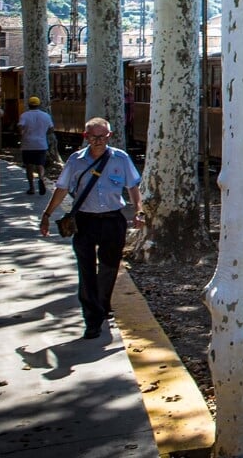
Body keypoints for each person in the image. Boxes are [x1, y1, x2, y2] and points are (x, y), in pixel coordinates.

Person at [38, 117, 142, 340]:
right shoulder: (76, 160)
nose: (98, 141)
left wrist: (138, 211)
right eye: (93, 137)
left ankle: (102, 304)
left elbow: (133, 187)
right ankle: (92, 319)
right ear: (85, 137)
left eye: (102, 136)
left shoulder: (120, 158)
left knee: (109, 267)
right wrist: (46, 215)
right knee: (85, 270)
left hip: (113, 220)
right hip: (85, 221)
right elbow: (61, 189)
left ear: (109, 136)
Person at [17, 96, 55, 195]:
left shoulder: (24, 115)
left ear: (28, 104)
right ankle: (41, 178)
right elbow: (51, 129)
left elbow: (20, 127)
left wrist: (22, 133)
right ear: (39, 104)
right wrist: (43, 133)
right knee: (40, 164)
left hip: (27, 144)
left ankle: (32, 188)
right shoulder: (46, 116)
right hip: (41, 144)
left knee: (29, 166)